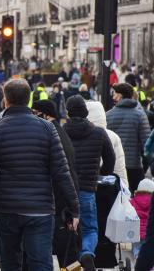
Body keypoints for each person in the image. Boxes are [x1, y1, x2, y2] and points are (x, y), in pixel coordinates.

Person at [0, 79, 79, 271]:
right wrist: (74, 208)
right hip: (40, 208)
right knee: (40, 262)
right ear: (29, 100)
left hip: (6, 207)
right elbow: (62, 171)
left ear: (6, 100)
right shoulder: (47, 129)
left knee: (10, 262)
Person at [63, 95, 116, 270]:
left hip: (65, 189)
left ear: (68, 112)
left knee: (66, 228)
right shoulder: (99, 133)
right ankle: (86, 252)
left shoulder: (60, 132)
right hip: (87, 188)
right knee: (90, 228)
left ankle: (71, 263)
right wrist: (101, 173)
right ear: (85, 112)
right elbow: (110, 160)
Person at [31, 99, 80, 268]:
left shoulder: (51, 133)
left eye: (35, 113)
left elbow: (61, 173)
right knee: (67, 254)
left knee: (60, 253)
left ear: (44, 114)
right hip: (64, 201)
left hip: (58, 203)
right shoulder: (60, 132)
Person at [107, 83, 151, 192]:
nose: (113, 97)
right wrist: (146, 165)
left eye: (115, 94)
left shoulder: (108, 115)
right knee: (137, 201)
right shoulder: (140, 115)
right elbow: (147, 145)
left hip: (114, 166)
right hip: (134, 166)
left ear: (120, 96)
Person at [86, 101, 129, 188]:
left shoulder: (83, 134)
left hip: (86, 185)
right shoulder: (113, 136)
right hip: (107, 187)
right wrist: (124, 187)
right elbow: (119, 168)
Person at [131, 179, 154, 259]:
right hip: (149, 233)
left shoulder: (132, 202)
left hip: (135, 233)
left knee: (137, 249)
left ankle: (137, 259)